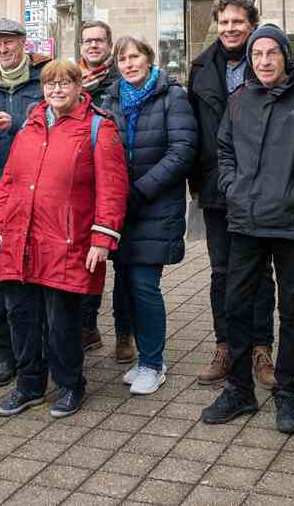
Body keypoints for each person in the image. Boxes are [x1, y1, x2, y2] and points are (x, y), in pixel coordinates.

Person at [201, 25, 294, 435]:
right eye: (257, 54)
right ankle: (239, 390)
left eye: (271, 53)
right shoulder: (237, 101)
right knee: (236, 307)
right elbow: (224, 152)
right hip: (246, 222)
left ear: (285, 56)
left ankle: (286, 392)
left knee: (291, 312)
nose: (264, 61)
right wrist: (233, 186)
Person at [0, 59, 129, 418]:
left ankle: (70, 384)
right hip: (21, 237)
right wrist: (0, 222)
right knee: (21, 315)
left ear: (80, 86)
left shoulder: (99, 128)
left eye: (65, 82)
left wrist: (102, 238)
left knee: (61, 320)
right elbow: (10, 179)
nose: (57, 90)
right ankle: (29, 384)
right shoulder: (29, 127)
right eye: (50, 84)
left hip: (67, 239)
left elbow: (112, 189)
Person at [187, 0, 278, 389]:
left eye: (238, 22)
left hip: (264, 187)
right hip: (216, 188)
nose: (230, 29)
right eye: (224, 22)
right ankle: (225, 346)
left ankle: (262, 350)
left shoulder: (271, 62)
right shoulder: (200, 68)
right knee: (222, 272)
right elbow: (193, 131)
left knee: (259, 273)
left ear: (252, 24)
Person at [103, 36, 196, 395]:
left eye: (135, 57)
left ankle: (153, 364)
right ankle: (146, 358)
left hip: (154, 206)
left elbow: (182, 150)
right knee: (125, 284)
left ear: (149, 59)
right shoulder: (110, 99)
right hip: (119, 208)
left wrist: (139, 190)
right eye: (122, 59)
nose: (128, 64)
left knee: (144, 286)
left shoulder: (172, 96)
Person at [0, 18, 51, 388]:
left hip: (43, 192)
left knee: (41, 276)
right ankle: (8, 356)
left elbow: (57, 125)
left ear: (23, 43)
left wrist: (17, 122)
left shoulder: (43, 81)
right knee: (3, 277)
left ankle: (43, 353)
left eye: (8, 43)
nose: (2, 50)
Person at [75, 20, 121, 357]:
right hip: (78, 185)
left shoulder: (120, 79)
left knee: (124, 268)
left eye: (99, 41)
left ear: (109, 45)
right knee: (85, 260)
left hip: (111, 179)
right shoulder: (70, 80)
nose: (93, 46)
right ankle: (87, 327)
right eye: (87, 41)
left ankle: (124, 333)